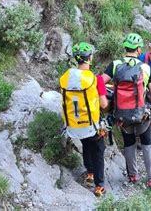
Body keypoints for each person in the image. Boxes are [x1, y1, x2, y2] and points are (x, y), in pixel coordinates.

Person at [101, 33, 151, 188]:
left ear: (125, 47)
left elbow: (100, 82)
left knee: (129, 142)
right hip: (140, 114)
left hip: (121, 113)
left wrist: (108, 101)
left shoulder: (115, 64)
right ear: (138, 49)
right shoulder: (145, 68)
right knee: (147, 142)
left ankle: (133, 175)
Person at [60, 42, 108, 197]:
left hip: (73, 125)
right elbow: (104, 104)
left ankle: (90, 173)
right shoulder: (96, 79)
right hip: (91, 125)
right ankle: (99, 185)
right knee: (99, 150)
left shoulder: (66, 78)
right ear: (90, 58)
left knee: (86, 145)